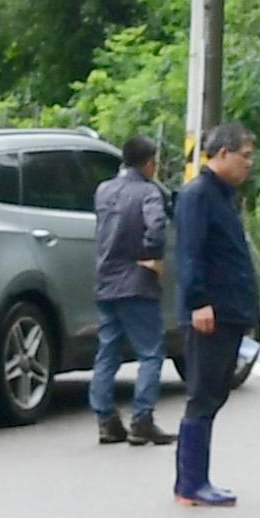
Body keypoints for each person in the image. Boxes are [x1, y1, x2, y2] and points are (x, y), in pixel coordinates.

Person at [170, 123, 260, 510]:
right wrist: (198, 302)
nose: (249, 164)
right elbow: (189, 254)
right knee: (203, 395)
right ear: (222, 154)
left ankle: (196, 479)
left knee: (215, 393)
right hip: (212, 312)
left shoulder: (223, 196)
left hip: (232, 311)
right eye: (245, 155)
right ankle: (190, 483)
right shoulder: (197, 196)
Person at [89, 134, 174, 448]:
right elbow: (155, 228)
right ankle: (142, 420)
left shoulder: (104, 190)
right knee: (151, 352)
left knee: (107, 352)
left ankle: (106, 420)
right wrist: (153, 256)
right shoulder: (148, 193)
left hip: (106, 280)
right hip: (137, 280)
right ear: (149, 162)